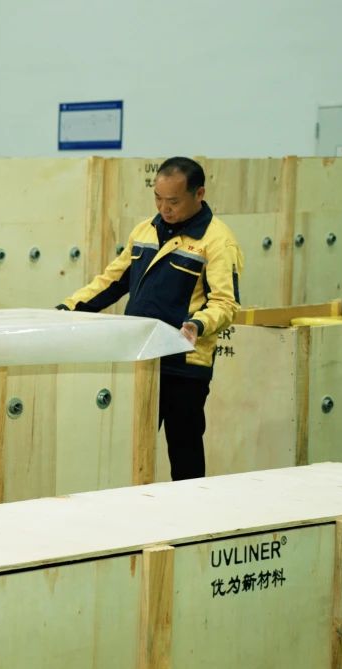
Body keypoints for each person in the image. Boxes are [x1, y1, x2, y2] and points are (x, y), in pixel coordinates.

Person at [57, 156, 242, 481]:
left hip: (183, 364)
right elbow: (112, 281)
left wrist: (198, 324)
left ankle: (193, 509)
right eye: (158, 198)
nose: (164, 208)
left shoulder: (216, 241)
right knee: (129, 449)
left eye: (174, 201)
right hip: (141, 358)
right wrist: (67, 309)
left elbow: (225, 304)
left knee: (184, 451)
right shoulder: (145, 231)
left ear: (199, 194)